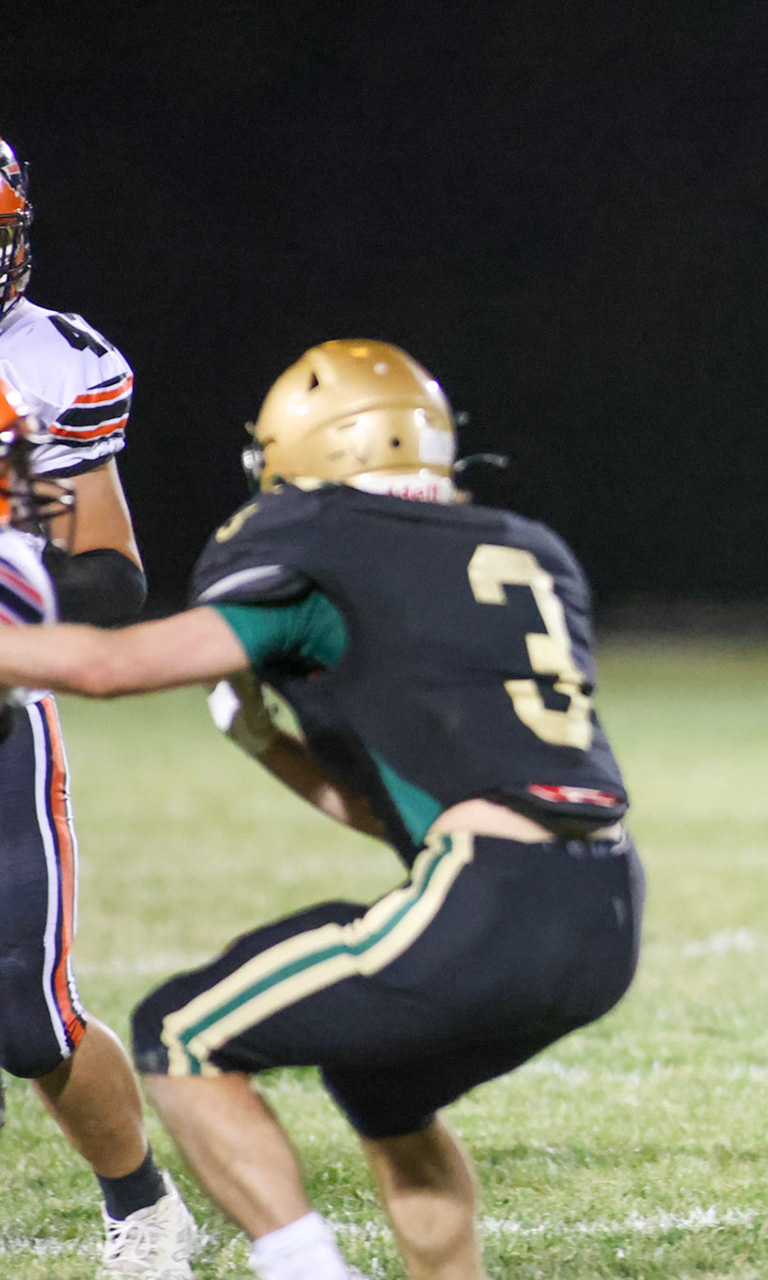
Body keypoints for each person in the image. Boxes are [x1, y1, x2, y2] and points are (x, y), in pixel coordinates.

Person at [0, 339, 643, 1280]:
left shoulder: (318, 553)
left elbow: (105, 666)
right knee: (384, 1096)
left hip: (485, 897)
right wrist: (267, 742)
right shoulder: (527, 552)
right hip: (606, 907)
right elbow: (404, 815)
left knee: (182, 1033)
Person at [0, 136, 197, 1277]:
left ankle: (144, 1205)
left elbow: (111, 573)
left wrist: (18, 589)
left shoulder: (52, 364)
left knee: (23, 1012)